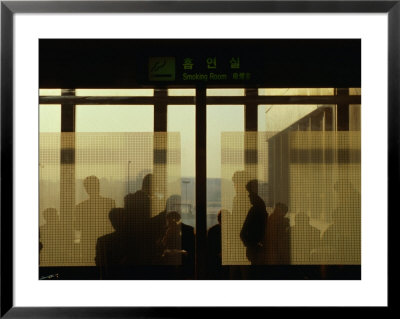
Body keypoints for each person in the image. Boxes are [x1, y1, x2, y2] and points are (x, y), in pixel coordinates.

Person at [75, 176, 115, 264]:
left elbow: (77, 226)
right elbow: (113, 224)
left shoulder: (81, 207)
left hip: (88, 242)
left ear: (86, 189)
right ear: (98, 187)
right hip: (107, 241)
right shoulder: (110, 203)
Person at [240, 180, 268, 266]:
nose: (249, 197)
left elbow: (243, 231)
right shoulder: (259, 208)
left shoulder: (255, 209)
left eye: (251, 194)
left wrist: (250, 243)